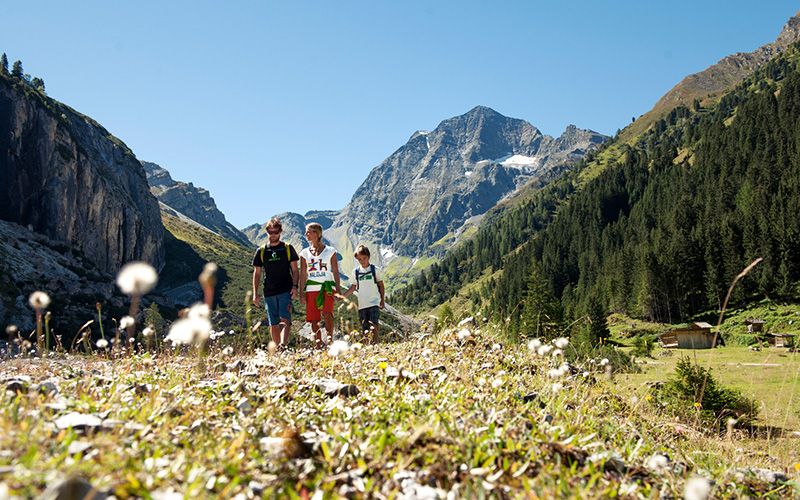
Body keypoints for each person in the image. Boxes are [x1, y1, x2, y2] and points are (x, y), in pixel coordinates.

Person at [252, 218, 299, 347]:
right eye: (270, 232)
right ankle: (277, 349)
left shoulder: (288, 248)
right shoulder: (261, 251)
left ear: (280, 231)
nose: (273, 235)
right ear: (266, 232)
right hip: (269, 291)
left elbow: (295, 270)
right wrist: (255, 294)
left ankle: (283, 345)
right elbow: (257, 273)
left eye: (276, 232)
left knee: (285, 319)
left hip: (285, 289)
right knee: (273, 323)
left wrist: (295, 287)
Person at [298, 223, 341, 347]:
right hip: (311, 289)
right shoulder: (304, 253)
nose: (306, 234)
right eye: (306, 232)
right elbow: (302, 275)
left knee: (327, 313)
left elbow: (335, 271)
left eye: (309, 231)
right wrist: (302, 294)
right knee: (314, 317)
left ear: (317, 234)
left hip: (327, 287)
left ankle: (330, 339)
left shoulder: (330, 251)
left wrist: (338, 290)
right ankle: (318, 343)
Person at [343, 244, 385, 343]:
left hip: (374, 302)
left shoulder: (375, 270)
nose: (362, 261)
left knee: (374, 325)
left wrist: (382, 300)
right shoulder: (356, 272)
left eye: (364, 258)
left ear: (368, 257)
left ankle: (375, 344)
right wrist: (342, 296)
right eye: (359, 259)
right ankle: (367, 345)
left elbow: (381, 285)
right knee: (365, 327)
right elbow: (353, 287)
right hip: (362, 304)